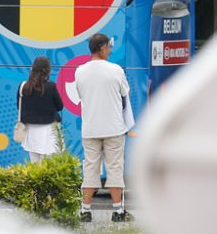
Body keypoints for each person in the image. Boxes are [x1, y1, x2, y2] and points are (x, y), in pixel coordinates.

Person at [73, 33, 133, 222]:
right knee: (115, 167)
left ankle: (85, 210)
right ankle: (118, 211)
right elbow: (125, 92)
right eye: (108, 47)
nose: (110, 50)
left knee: (90, 168)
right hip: (114, 127)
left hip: (90, 127)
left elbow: (81, 95)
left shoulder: (79, 71)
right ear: (101, 48)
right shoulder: (116, 70)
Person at [17, 56, 64, 162]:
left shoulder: (23, 86)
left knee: (35, 166)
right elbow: (60, 106)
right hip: (49, 131)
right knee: (50, 167)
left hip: (30, 131)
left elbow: (19, 107)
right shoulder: (51, 86)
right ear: (47, 70)